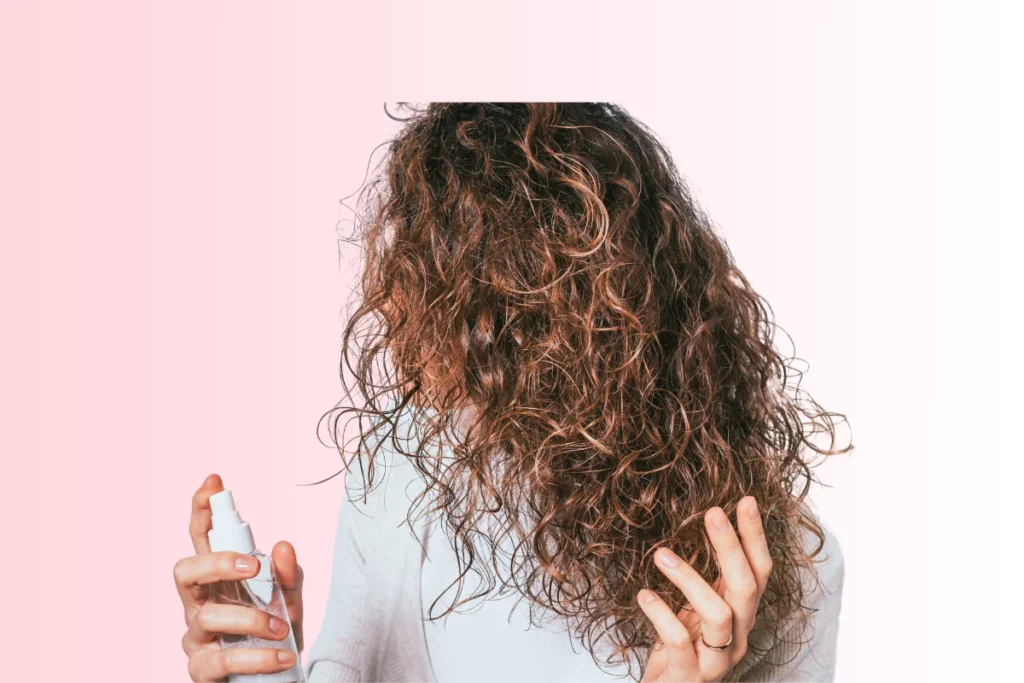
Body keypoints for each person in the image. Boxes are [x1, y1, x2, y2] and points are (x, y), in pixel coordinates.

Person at [173, 103, 852, 682]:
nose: (392, 303)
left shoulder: (779, 563)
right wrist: (264, 652)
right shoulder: (401, 466)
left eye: (437, 278)